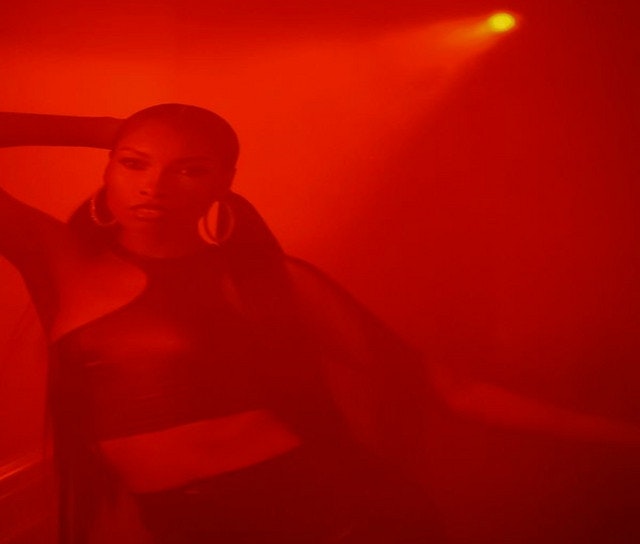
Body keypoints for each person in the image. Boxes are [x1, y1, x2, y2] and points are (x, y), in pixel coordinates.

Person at [0, 104, 440, 544]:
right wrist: (109, 130)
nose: (154, 186)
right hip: (182, 521)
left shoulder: (265, 278)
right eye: (133, 163)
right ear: (108, 168)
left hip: (315, 505)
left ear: (224, 182)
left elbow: (424, 378)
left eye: (189, 170)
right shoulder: (62, 264)